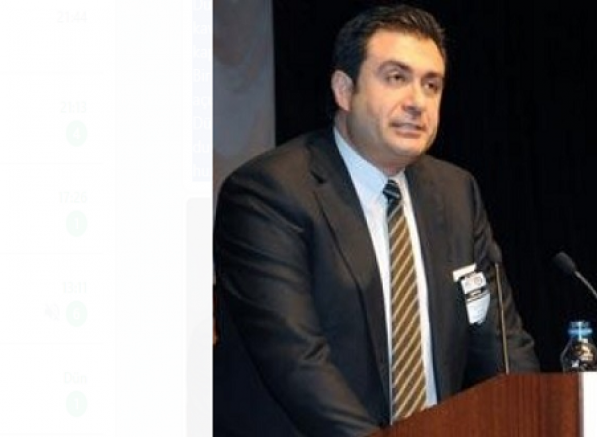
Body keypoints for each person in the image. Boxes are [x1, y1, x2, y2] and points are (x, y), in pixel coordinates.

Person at [213, 4, 539, 436]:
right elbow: (297, 362)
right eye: (396, 78)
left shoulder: (457, 192)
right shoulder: (269, 192)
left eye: (431, 85)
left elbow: (499, 342)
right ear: (344, 90)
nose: (417, 102)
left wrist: (533, 418)